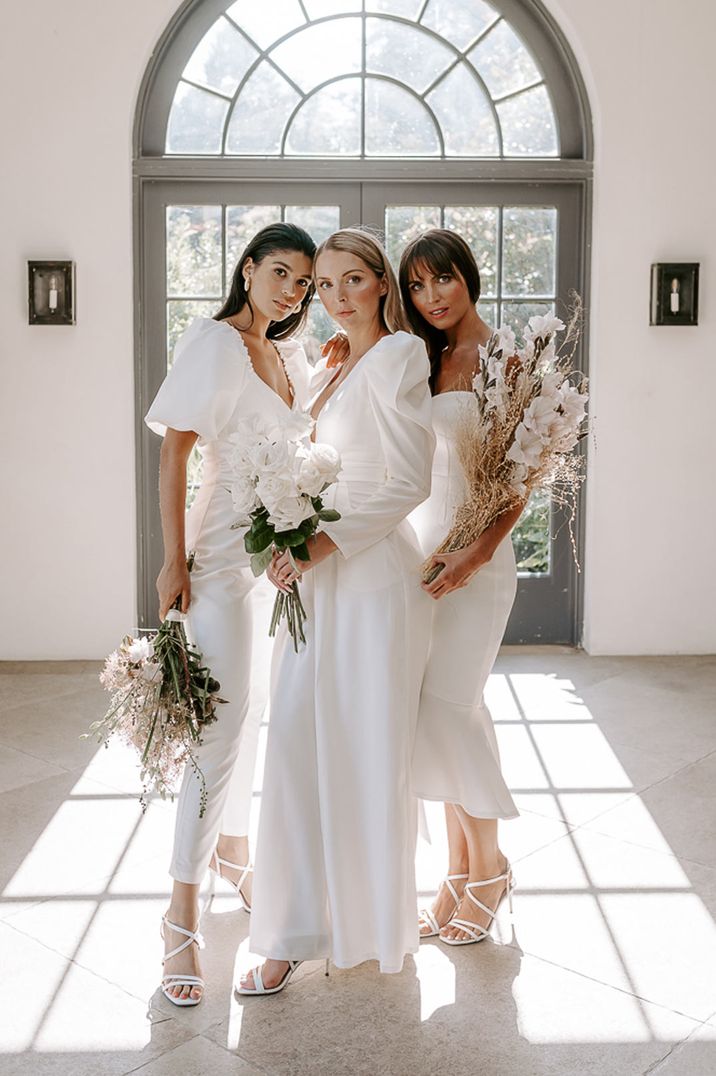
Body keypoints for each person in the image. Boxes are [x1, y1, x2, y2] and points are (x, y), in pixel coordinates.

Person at [238, 228, 435, 995]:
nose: (337, 296)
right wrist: (286, 535)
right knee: (292, 742)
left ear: (382, 284)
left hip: (371, 579)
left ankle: (371, 926)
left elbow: (409, 479)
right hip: (314, 576)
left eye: (353, 281)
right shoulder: (330, 363)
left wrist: (323, 544)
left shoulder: (398, 358)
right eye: (324, 285)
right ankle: (288, 931)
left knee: (364, 750)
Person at [145, 222, 315, 1005]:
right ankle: (179, 918)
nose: (291, 291)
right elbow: (176, 451)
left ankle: (235, 854)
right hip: (215, 561)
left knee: (253, 723)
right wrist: (175, 558)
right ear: (248, 270)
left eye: (304, 283)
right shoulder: (214, 342)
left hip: (270, 568)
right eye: (280, 272)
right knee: (216, 735)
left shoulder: (288, 357)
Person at [399, 228, 521, 945]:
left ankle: (491, 868)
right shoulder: (424, 356)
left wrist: (474, 555)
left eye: (441, 278)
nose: (431, 295)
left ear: (467, 276)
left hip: (476, 564)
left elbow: (519, 482)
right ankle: (456, 870)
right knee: (443, 715)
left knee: (451, 709)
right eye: (416, 285)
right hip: (422, 554)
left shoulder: (507, 358)